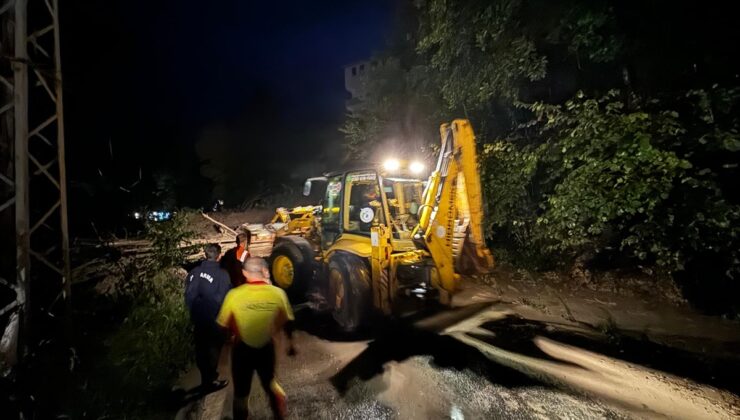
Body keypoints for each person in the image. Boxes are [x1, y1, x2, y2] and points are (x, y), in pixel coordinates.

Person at [217, 257, 295, 419]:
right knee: (270, 382)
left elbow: (223, 325)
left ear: (245, 273)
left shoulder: (234, 295)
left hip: (241, 350)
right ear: (264, 271)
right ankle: (279, 412)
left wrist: (224, 353)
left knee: (241, 393)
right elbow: (287, 320)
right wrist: (290, 343)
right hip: (266, 347)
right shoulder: (278, 294)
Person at [184, 243, 232, 392]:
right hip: (215, 319)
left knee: (201, 348)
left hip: (198, 319)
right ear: (219, 256)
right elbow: (225, 298)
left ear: (206, 255)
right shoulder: (222, 274)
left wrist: (194, 312)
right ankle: (209, 381)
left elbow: (188, 295)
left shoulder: (193, 273)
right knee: (213, 350)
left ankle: (206, 376)